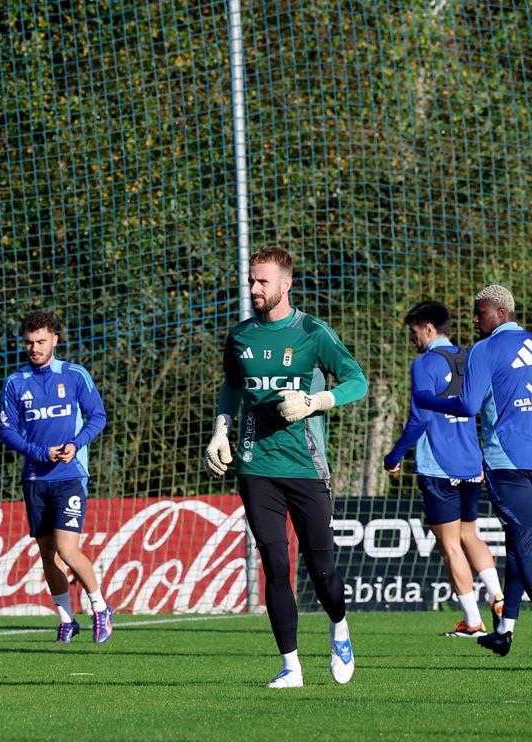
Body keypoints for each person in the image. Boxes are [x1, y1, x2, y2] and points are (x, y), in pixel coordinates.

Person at [204, 245, 368, 689]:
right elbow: (232, 389)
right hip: (257, 465)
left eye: (262, 281)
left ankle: (340, 627)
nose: (254, 288)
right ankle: (291, 666)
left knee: (324, 572)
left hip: (306, 467)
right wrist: (221, 430)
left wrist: (316, 401)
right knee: (276, 563)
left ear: (285, 283)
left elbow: (357, 381)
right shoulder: (240, 337)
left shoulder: (312, 332)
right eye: (252, 280)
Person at [413, 285, 532, 656]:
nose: (474, 319)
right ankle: (505, 630)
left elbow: (466, 405)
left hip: (506, 463)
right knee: (515, 545)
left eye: (479, 313)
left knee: (524, 543)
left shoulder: (485, 350)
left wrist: (425, 399)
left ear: (499, 312)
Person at [383, 301, 503, 635]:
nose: (414, 339)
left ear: (428, 328)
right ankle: (498, 596)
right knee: (469, 534)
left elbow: (420, 417)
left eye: (415, 332)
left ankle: (474, 621)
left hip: (438, 466)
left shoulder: (425, 364)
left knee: (450, 545)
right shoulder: (471, 357)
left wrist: (395, 456)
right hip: (471, 464)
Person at [0, 311, 112, 643]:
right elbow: (7, 431)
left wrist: (76, 445)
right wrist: (38, 452)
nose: (35, 348)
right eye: (30, 342)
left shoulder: (75, 375)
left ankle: (100, 607)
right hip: (35, 479)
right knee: (47, 553)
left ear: (55, 341)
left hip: (69, 476)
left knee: (67, 548)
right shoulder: (15, 382)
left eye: (41, 342)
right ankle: (66, 618)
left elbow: (98, 416)